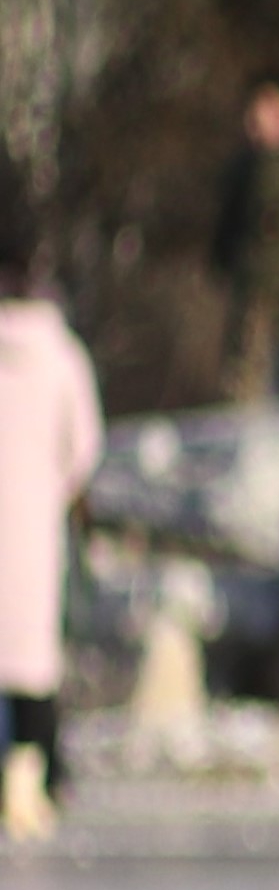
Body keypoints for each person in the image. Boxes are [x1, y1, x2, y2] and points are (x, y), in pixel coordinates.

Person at [0, 209, 99, 844]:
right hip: (35, 520)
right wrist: (58, 488)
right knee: (33, 655)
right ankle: (32, 781)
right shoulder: (62, 355)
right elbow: (85, 445)